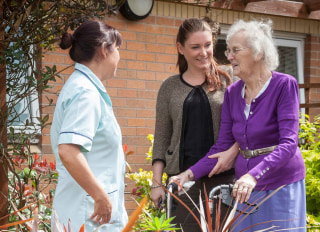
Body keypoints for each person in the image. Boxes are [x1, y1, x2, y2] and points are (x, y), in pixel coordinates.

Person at [170, 19, 307, 232]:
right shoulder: (233, 93)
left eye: (235, 50)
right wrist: (187, 175)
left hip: (280, 184)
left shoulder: (284, 85)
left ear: (258, 53)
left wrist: (254, 175)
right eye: (228, 50)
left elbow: (289, 144)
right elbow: (221, 148)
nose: (229, 56)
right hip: (244, 189)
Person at [151, 17, 239, 232]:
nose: (204, 52)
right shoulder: (169, 87)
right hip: (183, 181)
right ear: (181, 48)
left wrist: (233, 152)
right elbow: (162, 136)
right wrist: (156, 184)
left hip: (224, 179)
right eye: (195, 47)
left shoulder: (230, 80)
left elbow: (244, 125)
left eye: (208, 45)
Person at [50, 20, 128, 231]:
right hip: (87, 214)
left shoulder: (84, 88)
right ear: (104, 50)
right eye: (117, 49)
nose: (119, 56)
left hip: (86, 212)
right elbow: (68, 150)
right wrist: (100, 196)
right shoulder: (86, 93)